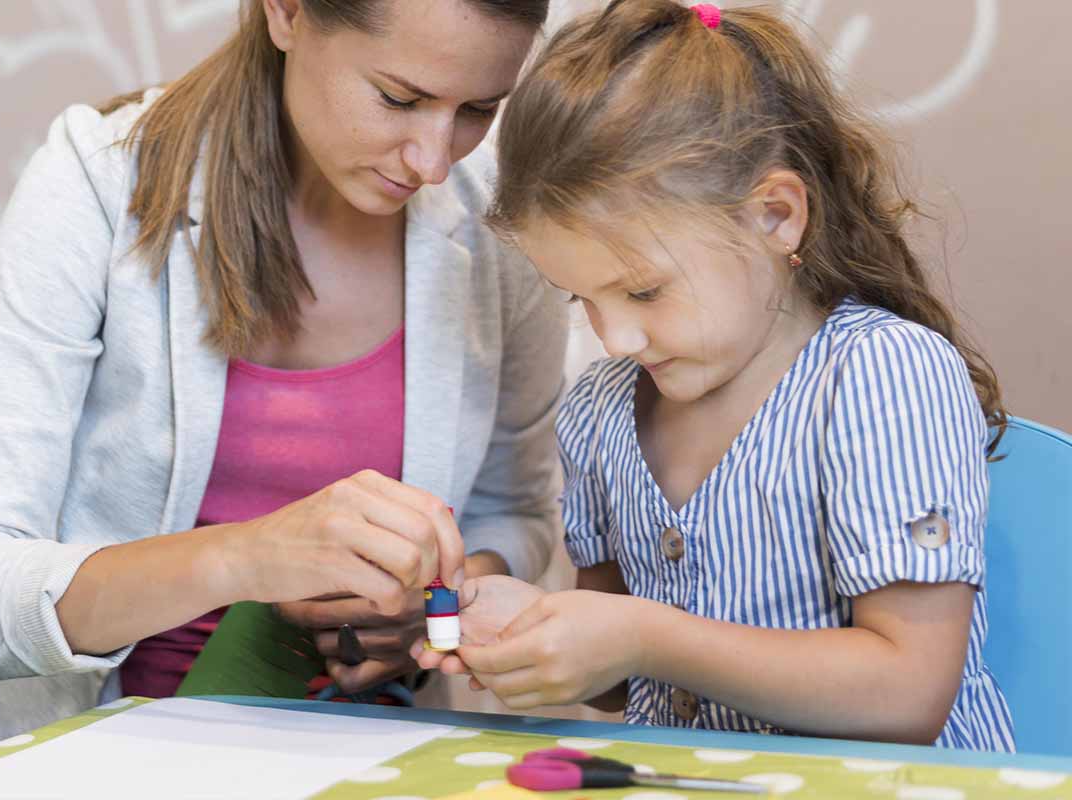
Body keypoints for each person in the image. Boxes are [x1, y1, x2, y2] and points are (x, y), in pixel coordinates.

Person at [0, 0, 565, 775]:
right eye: (398, 99)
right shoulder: (101, 182)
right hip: (69, 766)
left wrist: (441, 601)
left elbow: (514, 515)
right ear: (285, 12)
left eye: (479, 109)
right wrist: (249, 557)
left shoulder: (496, 226)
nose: (433, 161)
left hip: (358, 763)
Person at [415, 0, 1015, 751]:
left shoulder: (882, 377)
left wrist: (643, 636)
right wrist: (531, 628)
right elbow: (620, 682)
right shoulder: (600, 412)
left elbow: (908, 693)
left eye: (642, 290)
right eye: (581, 297)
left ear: (774, 215)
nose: (617, 336)